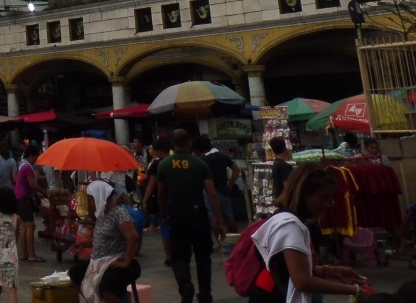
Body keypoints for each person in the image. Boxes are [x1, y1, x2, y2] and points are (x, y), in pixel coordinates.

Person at [248, 164, 366, 303]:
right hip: (274, 297)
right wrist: (355, 290)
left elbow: (289, 269)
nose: (329, 203)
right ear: (303, 194)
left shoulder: (284, 218)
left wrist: (331, 271)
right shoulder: (291, 226)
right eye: (324, 197)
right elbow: (302, 281)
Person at [156, 128, 226, 303]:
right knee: (203, 258)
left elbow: (161, 194)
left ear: (172, 144)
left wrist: (163, 214)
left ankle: (185, 284)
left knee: (180, 257)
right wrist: (219, 220)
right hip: (199, 217)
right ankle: (205, 293)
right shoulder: (200, 164)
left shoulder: (164, 165)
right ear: (189, 143)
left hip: (178, 217)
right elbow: (212, 194)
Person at [67, 181, 140, 303]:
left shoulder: (118, 213)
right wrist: (83, 244)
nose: (90, 203)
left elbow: (133, 237)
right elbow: (102, 239)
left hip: (119, 261)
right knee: (75, 273)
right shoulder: (101, 215)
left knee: (107, 283)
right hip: (101, 262)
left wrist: (126, 261)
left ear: (99, 197)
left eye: (91, 199)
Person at [193, 135, 239, 234]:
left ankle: (220, 240)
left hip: (208, 192)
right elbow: (236, 169)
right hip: (223, 191)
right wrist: (230, 183)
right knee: (229, 217)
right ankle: (235, 238)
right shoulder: (222, 156)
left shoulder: (201, 160)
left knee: (213, 217)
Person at [14, 143, 48, 263]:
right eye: (37, 156)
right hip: (24, 199)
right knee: (30, 225)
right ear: (32, 155)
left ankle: (25, 253)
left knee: (24, 226)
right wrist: (44, 192)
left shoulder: (22, 165)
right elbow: (33, 184)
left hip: (19, 197)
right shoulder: (28, 167)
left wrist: (37, 192)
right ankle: (32, 255)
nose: (37, 159)